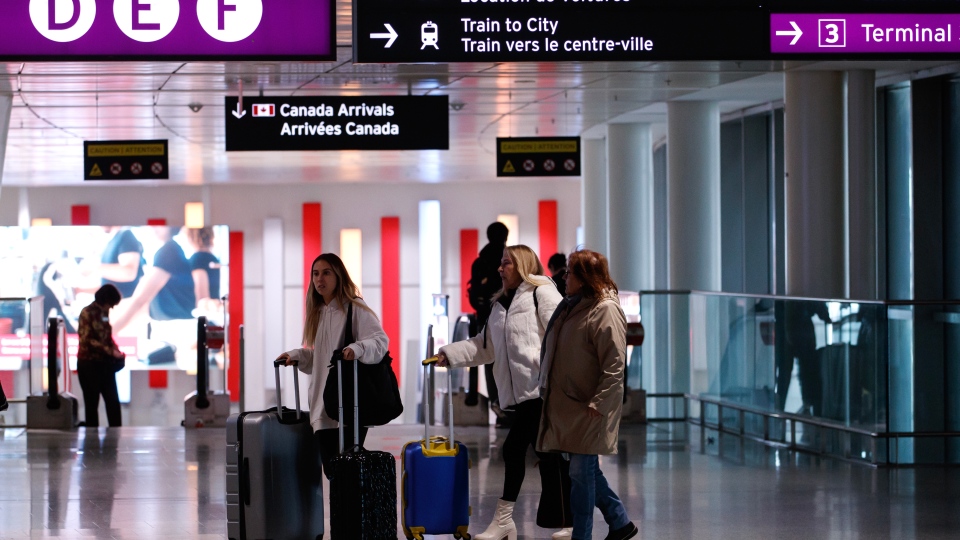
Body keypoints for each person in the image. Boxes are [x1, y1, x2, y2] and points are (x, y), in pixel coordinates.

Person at [439, 244, 573, 540]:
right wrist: (450, 354)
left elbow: (562, 334)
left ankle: (505, 520)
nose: (500, 269)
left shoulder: (541, 292)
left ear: (523, 264)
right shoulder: (500, 306)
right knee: (547, 455)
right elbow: (484, 347)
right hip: (521, 395)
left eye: (506, 263)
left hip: (541, 390)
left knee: (514, 450)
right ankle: (578, 519)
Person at [537, 249, 637, 540]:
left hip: (589, 407)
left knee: (580, 476)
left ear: (584, 277)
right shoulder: (574, 306)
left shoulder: (604, 309)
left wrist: (600, 400)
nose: (565, 277)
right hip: (572, 404)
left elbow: (615, 362)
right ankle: (620, 523)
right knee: (585, 472)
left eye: (570, 272)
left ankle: (583, 535)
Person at [275, 253, 389, 479]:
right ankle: (347, 514)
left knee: (344, 473)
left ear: (338, 276)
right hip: (322, 406)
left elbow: (380, 342)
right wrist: (298, 355)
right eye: (315, 274)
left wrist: (355, 349)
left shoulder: (354, 308)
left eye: (326, 273)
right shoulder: (319, 313)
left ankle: (352, 515)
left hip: (347, 405)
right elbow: (322, 359)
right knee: (334, 472)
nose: (320, 279)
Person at [468, 221, 511, 427]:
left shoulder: (480, 262)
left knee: (490, 361)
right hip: (509, 319)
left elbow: (474, 293)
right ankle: (510, 405)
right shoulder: (509, 261)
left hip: (485, 319)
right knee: (510, 361)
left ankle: (498, 403)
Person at [77, 284, 125, 427]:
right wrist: (110, 351)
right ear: (106, 300)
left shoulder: (104, 314)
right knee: (92, 404)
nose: (111, 308)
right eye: (111, 304)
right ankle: (92, 440)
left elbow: (106, 337)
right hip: (89, 364)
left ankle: (116, 433)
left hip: (105, 365)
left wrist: (115, 349)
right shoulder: (87, 312)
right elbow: (86, 340)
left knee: (113, 402)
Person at [100, 227, 144, 299]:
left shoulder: (126, 236)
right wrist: (79, 290)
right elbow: (108, 284)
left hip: (125, 304)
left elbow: (129, 273)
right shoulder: (110, 242)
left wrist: (93, 267)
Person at [186, 227, 222, 311]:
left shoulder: (197, 259)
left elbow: (202, 298)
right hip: (214, 310)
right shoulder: (213, 258)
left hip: (208, 312)